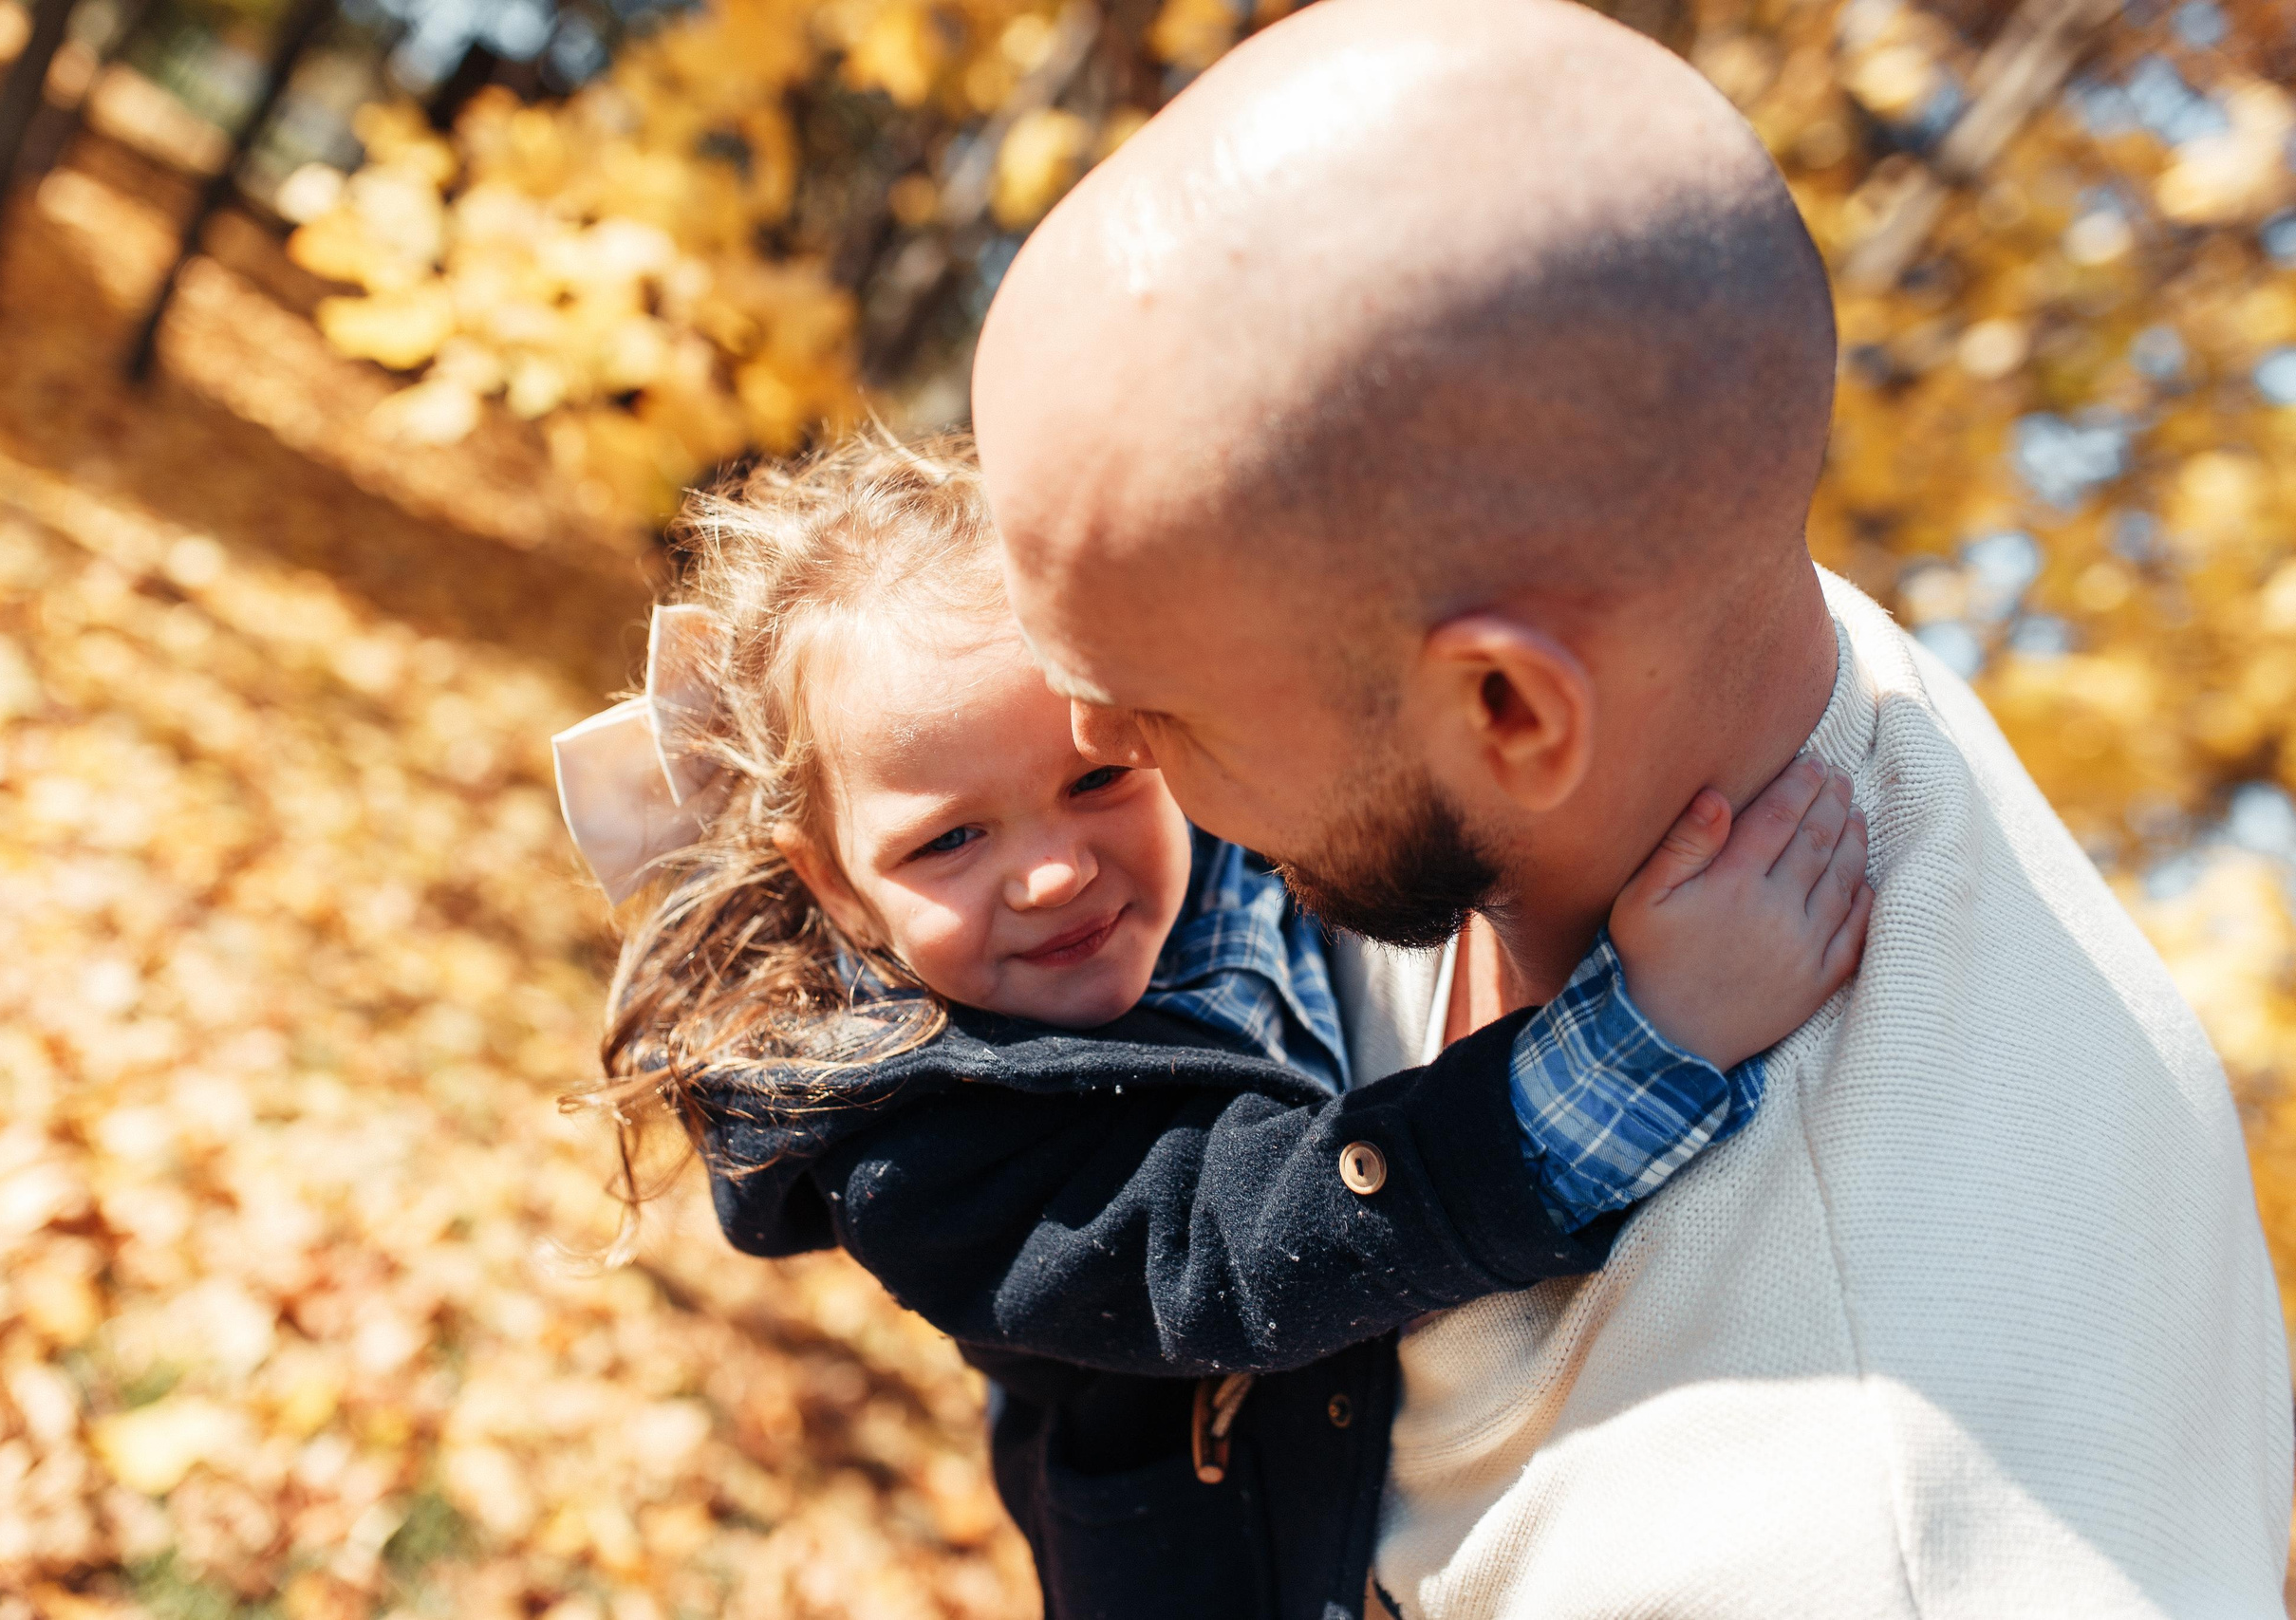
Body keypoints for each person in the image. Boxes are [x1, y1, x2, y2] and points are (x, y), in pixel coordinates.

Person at [970, 0, 2294, 1614]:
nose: (1085, 740)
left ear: (1510, 711)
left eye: (1155, 711)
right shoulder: (1670, 633)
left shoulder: (1865, 1530)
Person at [551, 434, 1870, 1618]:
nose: (1054, 871)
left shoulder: (1216, 840)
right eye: (950, 840)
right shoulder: (914, 1156)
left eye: (1096, 777)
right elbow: (1232, 1246)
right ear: (840, 882)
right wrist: (1654, 1032)